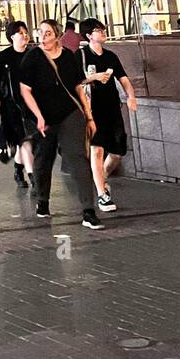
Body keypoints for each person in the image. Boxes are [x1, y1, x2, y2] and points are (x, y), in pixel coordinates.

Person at [18, 19, 102, 230]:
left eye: (47, 33)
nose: (43, 37)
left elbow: (78, 88)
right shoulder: (33, 57)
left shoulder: (67, 57)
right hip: (44, 117)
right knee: (43, 160)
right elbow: (25, 90)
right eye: (40, 32)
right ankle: (43, 200)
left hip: (69, 114)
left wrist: (89, 116)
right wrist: (38, 116)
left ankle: (88, 210)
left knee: (77, 157)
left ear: (57, 35)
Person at [78, 18, 138, 213]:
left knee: (118, 151)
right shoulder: (81, 56)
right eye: (98, 30)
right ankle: (102, 194)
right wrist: (93, 77)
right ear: (89, 35)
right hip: (91, 109)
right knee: (97, 150)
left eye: (103, 29)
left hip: (112, 107)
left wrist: (131, 96)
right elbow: (73, 81)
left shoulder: (111, 56)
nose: (102, 32)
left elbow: (123, 78)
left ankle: (101, 178)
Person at [0, 20, 36, 188]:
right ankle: (33, 177)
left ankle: (18, 169)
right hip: (10, 105)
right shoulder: (4, 57)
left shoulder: (33, 54)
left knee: (23, 141)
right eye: (21, 33)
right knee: (25, 141)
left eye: (26, 32)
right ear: (12, 37)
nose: (25, 36)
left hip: (30, 103)